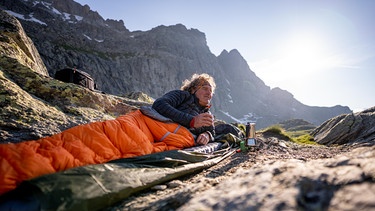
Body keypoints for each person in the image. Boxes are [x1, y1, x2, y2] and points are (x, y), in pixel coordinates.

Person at [151, 73, 242, 146]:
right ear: (193, 89)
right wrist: (191, 121)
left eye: (211, 91)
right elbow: (159, 104)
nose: (209, 93)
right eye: (205, 88)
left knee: (228, 128)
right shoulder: (183, 95)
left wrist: (207, 135)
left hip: (182, 142)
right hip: (161, 135)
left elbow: (211, 131)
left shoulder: (206, 113)